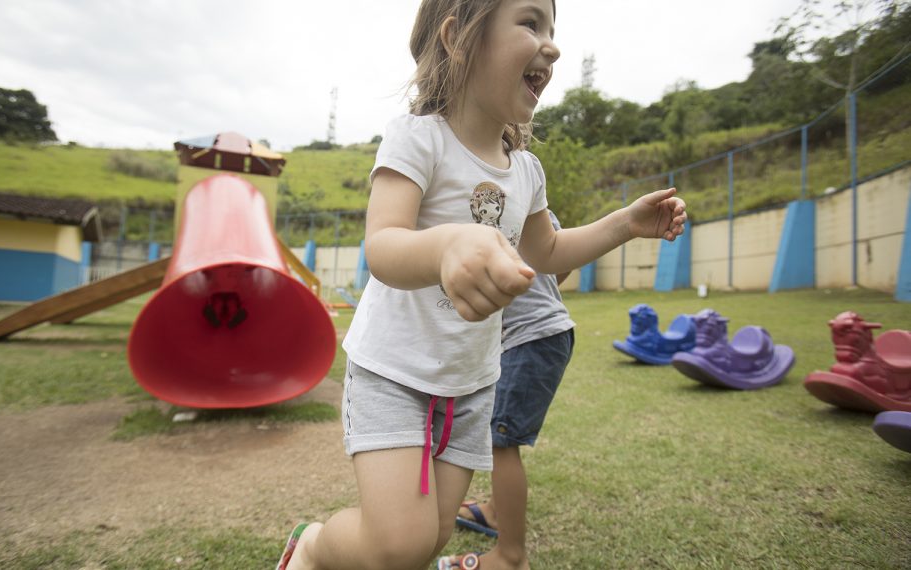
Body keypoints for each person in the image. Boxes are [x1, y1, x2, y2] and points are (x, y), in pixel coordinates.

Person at [276, 0, 686, 568]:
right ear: (458, 38)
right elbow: (384, 244)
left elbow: (547, 252)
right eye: (530, 23)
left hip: (469, 384)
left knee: (435, 534)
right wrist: (448, 244)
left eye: (552, 28)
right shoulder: (418, 139)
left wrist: (625, 224)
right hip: (394, 373)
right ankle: (316, 544)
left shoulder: (526, 171)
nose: (552, 44)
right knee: (398, 543)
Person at [440, 210, 574, 570]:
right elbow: (561, 261)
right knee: (497, 435)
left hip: (530, 337)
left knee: (502, 443)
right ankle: (496, 511)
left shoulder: (465, 207)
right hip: (545, 332)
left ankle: (511, 556)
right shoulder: (533, 206)